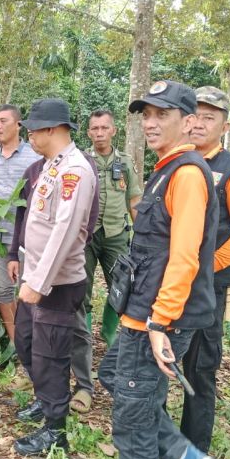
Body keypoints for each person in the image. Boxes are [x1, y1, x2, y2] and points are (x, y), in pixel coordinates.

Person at [97, 80, 218, 459]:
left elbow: (185, 257)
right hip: (140, 313)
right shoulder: (165, 169)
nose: (150, 123)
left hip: (157, 320)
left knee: (133, 429)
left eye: (161, 115)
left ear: (188, 122)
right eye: (147, 115)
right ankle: (188, 456)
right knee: (117, 379)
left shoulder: (186, 175)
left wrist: (160, 323)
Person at [11, 98, 96, 456]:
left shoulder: (75, 170)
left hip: (56, 285)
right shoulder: (49, 166)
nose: (28, 132)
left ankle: (55, 429)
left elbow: (66, 232)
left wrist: (38, 284)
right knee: (27, 344)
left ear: (53, 129)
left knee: (52, 355)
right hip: (35, 278)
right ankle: (46, 401)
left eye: (33, 127)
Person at [181, 86, 230, 451]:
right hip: (172, 281)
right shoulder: (179, 161)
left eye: (209, 117)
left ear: (224, 127)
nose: (199, 123)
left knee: (199, 367)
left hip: (208, 285)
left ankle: (193, 448)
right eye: (194, 115)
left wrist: (207, 266)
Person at [0, 104, 40, 342]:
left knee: (27, 291)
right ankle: (17, 343)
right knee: (3, 290)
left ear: (18, 125)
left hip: (25, 236)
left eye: (3, 121)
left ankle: (34, 339)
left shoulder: (33, 156)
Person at [84, 110, 142, 347]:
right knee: (81, 287)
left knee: (119, 285)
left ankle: (109, 334)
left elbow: (134, 200)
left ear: (113, 131)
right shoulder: (81, 160)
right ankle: (84, 336)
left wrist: (143, 235)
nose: (99, 133)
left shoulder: (125, 162)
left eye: (104, 128)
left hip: (116, 234)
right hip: (86, 235)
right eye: (95, 128)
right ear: (88, 132)